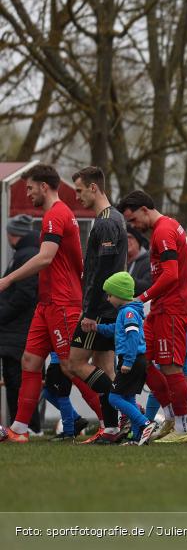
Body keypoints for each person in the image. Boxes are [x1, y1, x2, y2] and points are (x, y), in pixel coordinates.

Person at [0, 164, 93, 443]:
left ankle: (114, 421)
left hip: (62, 302)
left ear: (44, 186)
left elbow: (45, 257)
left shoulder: (56, 214)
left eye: (30, 188)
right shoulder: (55, 214)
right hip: (47, 303)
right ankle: (19, 429)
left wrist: (8, 279)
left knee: (71, 366)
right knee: (29, 361)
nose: (28, 193)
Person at [118, 190, 187, 443]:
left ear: (144, 209)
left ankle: (182, 429)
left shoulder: (163, 230)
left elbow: (171, 274)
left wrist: (141, 298)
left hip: (173, 307)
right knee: (142, 359)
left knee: (171, 367)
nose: (133, 226)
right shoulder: (164, 228)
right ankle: (171, 418)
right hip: (162, 307)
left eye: (133, 219)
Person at [68, 166, 128, 444]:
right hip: (107, 307)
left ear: (94, 188)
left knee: (75, 363)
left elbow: (103, 270)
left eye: (80, 190)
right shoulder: (114, 217)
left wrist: (90, 312)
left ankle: (129, 410)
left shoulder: (105, 222)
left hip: (100, 309)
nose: (77, 196)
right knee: (105, 367)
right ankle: (113, 429)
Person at [92, 272, 160, 446]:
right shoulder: (126, 312)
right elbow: (115, 329)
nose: (108, 299)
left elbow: (133, 337)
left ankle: (146, 423)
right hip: (135, 360)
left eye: (110, 295)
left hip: (132, 360)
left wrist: (128, 361)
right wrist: (97, 328)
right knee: (129, 399)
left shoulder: (129, 313)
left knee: (114, 398)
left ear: (120, 294)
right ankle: (136, 437)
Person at [0, 215, 41, 433]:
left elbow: (23, 295)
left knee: (18, 378)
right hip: (17, 330)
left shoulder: (26, 256)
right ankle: (23, 425)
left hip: (18, 330)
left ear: (12, 234)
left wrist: (2, 314)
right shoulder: (28, 253)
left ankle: (27, 425)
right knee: (18, 377)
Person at [126, 225, 152, 296]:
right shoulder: (120, 261)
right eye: (124, 238)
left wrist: (124, 280)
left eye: (130, 237)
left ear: (138, 241)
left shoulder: (149, 261)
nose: (126, 241)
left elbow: (149, 286)